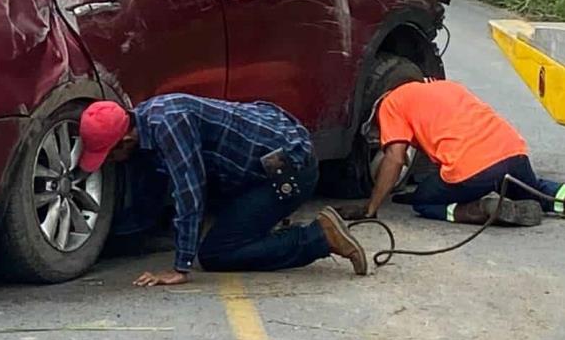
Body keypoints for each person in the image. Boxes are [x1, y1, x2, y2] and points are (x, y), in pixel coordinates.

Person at [79, 96, 369, 286]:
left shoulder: (168, 126)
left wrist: (180, 268)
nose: (109, 164)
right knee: (220, 222)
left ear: (125, 140)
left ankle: (319, 236)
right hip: (262, 152)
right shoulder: (145, 118)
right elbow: (152, 190)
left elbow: (189, 192)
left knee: (219, 253)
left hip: (288, 170)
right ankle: (261, 223)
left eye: (108, 155)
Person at [340, 79, 565, 226]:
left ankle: (477, 210)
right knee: (531, 189)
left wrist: (371, 208)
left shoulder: (390, 104)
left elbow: (395, 158)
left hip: (473, 167)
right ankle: (560, 198)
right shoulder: (443, 87)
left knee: (423, 202)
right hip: (512, 151)